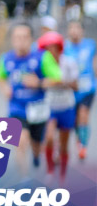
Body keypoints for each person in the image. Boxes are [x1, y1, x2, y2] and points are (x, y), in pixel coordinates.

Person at [0, 23, 61, 173]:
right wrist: (5, 88)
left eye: (25, 37)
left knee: (37, 145)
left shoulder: (42, 57)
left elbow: (57, 77)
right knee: (20, 142)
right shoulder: (6, 59)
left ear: (31, 39)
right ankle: (24, 180)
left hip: (37, 107)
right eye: (17, 37)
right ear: (12, 39)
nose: (21, 41)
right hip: (17, 107)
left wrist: (39, 83)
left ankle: (37, 157)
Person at [37, 31, 77, 179]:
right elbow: (39, 83)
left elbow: (76, 85)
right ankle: (50, 170)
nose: (51, 51)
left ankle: (63, 175)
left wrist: (61, 82)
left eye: (54, 47)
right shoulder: (43, 63)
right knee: (49, 138)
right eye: (48, 48)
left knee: (64, 143)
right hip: (50, 107)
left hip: (67, 106)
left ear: (60, 48)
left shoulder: (69, 62)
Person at [64, 19, 95, 159]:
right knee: (75, 119)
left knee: (83, 115)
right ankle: (79, 138)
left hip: (88, 88)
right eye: (72, 28)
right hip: (71, 89)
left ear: (82, 31)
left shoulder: (91, 45)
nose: (75, 31)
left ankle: (82, 145)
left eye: (77, 28)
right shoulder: (64, 47)